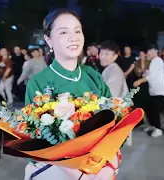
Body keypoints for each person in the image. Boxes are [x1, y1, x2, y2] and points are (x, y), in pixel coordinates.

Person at [24, 9, 119, 180]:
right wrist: (76, 172)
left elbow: (113, 120)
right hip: (58, 171)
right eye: (63, 32)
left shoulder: (93, 76)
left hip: (98, 166)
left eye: (77, 30)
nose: (73, 37)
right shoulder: (38, 83)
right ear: (48, 39)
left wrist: (110, 160)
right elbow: (36, 140)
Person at [133, 44, 164, 137]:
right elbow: (150, 73)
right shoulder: (154, 61)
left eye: (149, 51)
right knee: (150, 109)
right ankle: (153, 125)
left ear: (155, 51)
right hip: (153, 90)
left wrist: (139, 81)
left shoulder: (157, 61)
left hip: (159, 90)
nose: (147, 53)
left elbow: (151, 76)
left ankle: (158, 129)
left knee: (154, 110)